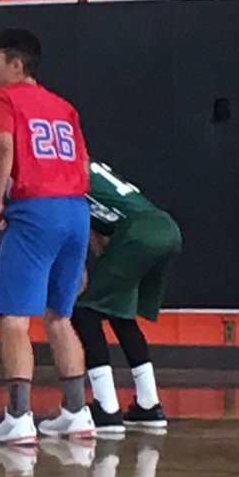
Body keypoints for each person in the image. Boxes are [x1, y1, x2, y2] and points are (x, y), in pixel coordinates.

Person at [0, 27, 94, 446]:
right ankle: (77, 414)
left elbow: (3, 146)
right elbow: (84, 165)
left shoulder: (2, 98)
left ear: (16, 64)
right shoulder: (64, 106)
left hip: (36, 209)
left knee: (13, 316)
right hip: (76, 209)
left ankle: (18, 418)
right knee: (59, 316)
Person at [75, 159, 182, 434]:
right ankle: (149, 404)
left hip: (138, 233)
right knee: (120, 313)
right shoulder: (96, 169)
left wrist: (80, 270)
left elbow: (82, 227)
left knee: (84, 312)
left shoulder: (68, 172)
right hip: (165, 228)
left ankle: (106, 407)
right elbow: (100, 233)